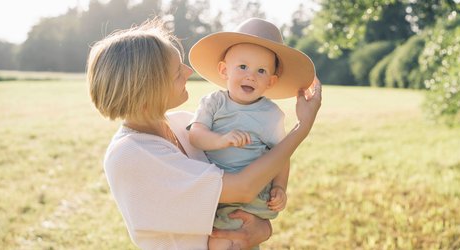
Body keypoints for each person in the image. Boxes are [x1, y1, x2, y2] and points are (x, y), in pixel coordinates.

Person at [87, 17, 321, 250]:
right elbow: (242, 187)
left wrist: (262, 228)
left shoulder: (183, 123)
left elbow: (250, 186)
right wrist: (303, 127)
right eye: (178, 71)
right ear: (148, 85)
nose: (189, 71)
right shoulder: (129, 154)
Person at [187, 18, 315, 250]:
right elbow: (196, 135)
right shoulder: (214, 102)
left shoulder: (270, 114)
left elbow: (280, 156)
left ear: (271, 81)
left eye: (261, 71)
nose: (250, 76)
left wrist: (280, 188)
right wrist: (220, 140)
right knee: (222, 240)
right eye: (242, 67)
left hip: (253, 196)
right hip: (220, 190)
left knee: (229, 241)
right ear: (224, 70)